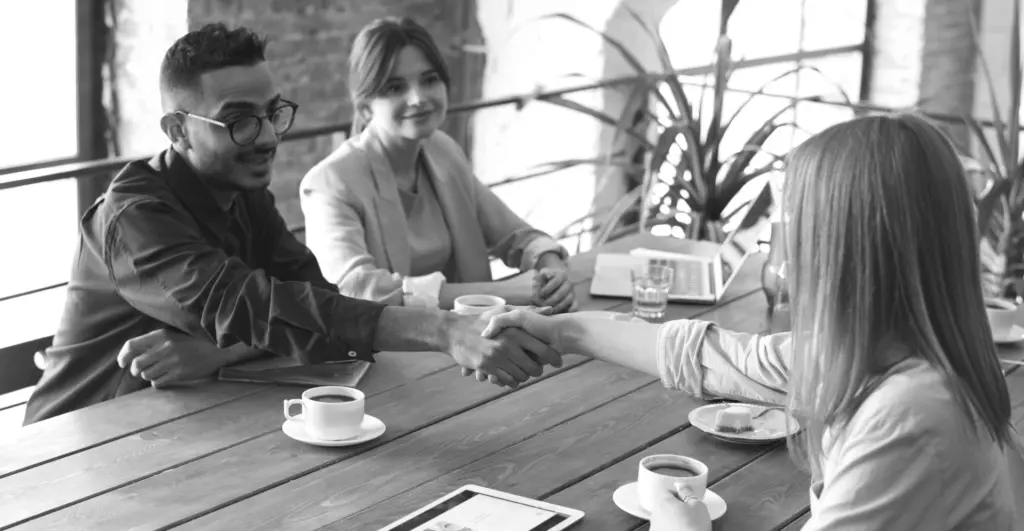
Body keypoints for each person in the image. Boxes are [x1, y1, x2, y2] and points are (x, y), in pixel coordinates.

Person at [483, 114, 1022, 529]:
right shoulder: (890, 355)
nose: (787, 259)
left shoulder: (913, 415)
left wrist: (680, 521)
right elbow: (704, 355)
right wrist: (560, 330)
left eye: (799, 232)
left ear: (849, 253)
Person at [23, 23, 560, 425]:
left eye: (273, 112)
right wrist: (443, 330)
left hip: (189, 421)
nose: (266, 136)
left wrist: (218, 349)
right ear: (178, 130)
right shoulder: (134, 217)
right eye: (238, 121)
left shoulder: (242, 191)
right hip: (78, 442)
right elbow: (247, 305)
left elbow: (312, 297)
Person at [299, 17, 575, 312]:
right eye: (395, 87)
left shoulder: (444, 151)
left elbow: (514, 235)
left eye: (429, 79)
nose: (418, 98)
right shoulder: (330, 182)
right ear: (365, 107)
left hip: (470, 339)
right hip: (388, 351)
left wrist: (550, 266)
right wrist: (498, 293)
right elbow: (356, 289)